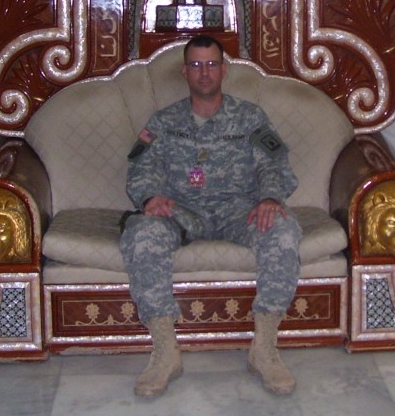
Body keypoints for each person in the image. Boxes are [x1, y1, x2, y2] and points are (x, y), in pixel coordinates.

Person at [120, 35, 303, 397]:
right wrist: (151, 197)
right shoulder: (163, 120)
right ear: (185, 72)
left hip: (240, 209)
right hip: (180, 211)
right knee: (142, 234)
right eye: (197, 65)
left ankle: (264, 347)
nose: (205, 73)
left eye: (212, 64)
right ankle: (165, 351)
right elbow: (141, 170)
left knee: (282, 230)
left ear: (224, 69)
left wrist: (269, 197)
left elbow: (275, 165)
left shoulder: (250, 117)